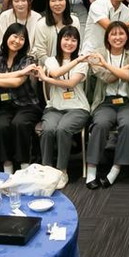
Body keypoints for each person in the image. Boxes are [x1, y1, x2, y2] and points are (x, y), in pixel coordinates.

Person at [84, 21, 129, 189]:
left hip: (128, 102)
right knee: (100, 123)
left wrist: (109, 66)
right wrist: (126, 67)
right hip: (105, 102)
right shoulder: (98, 54)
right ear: (107, 37)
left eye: (121, 34)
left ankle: (116, 169)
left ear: (127, 36)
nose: (118, 38)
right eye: (113, 34)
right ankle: (91, 169)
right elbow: (107, 78)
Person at [38, 26, 91, 179]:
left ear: (78, 43)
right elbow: (56, 73)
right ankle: (46, 169)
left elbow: (71, 83)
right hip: (55, 107)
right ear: (59, 40)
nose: (69, 43)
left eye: (74, 40)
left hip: (78, 107)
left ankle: (62, 171)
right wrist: (77, 60)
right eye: (66, 39)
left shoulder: (83, 62)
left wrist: (46, 79)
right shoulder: (51, 60)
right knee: (48, 129)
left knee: (63, 129)